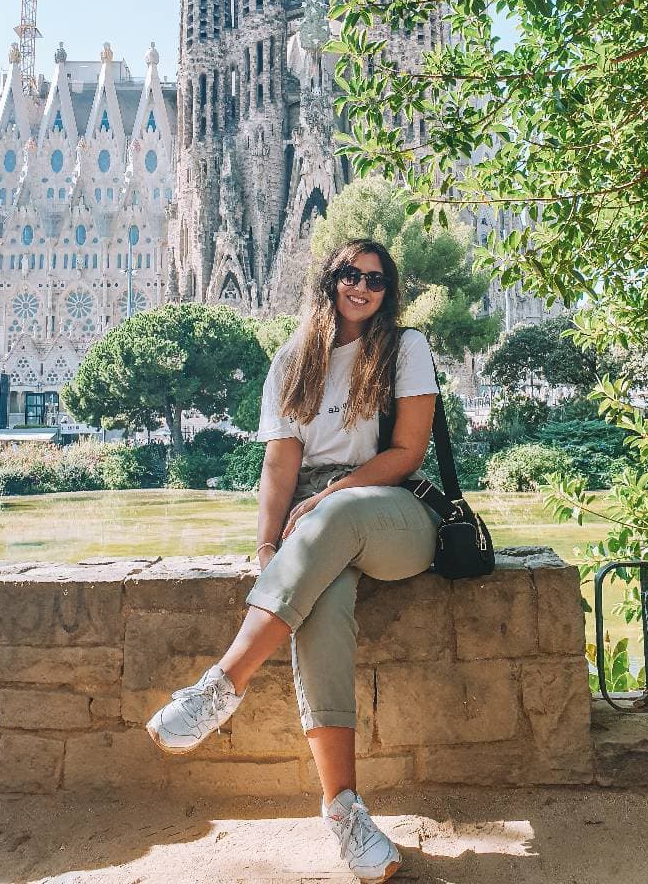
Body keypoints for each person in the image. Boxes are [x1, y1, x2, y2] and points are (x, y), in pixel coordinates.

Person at [146, 239, 441, 883]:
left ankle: (223, 684)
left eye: (375, 279)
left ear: (388, 292)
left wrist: (329, 497)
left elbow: (407, 452)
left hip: (393, 511)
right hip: (317, 526)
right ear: (328, 280)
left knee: (332, 516)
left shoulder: (404, 350)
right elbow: (280, 463)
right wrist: (267, 548)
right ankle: (345, 813)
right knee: (322, 613)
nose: (361, 287)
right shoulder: (292, 360)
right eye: (348, 274)